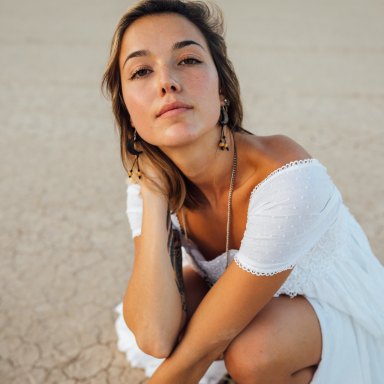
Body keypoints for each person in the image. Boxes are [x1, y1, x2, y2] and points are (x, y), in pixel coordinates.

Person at [102, 1, 384, 383]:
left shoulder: (287, 179)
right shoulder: (148, 181)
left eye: (188, 60)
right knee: (177, 298)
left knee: (254, 352)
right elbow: (154, 335)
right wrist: (153, 194)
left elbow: (197, 353)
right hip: (249, 309)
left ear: (222, 90)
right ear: (129, 116)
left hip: (338, 313)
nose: (166, 81)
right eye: (141, 70)